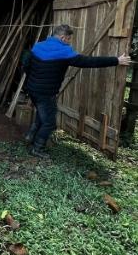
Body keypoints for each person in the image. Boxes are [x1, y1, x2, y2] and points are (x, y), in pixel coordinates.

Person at [22, 24, 131, 159]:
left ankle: (30, 136)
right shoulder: (64, 52)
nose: (69, 42)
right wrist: (116, 60)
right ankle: (37, 148)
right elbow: (89, 62)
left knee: (42, 113)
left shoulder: (38, 46)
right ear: (63, 38)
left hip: (32, 89)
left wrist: (33, 79)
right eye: (69, 40)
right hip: (46, 93)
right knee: (49, 122)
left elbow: (26, 65)